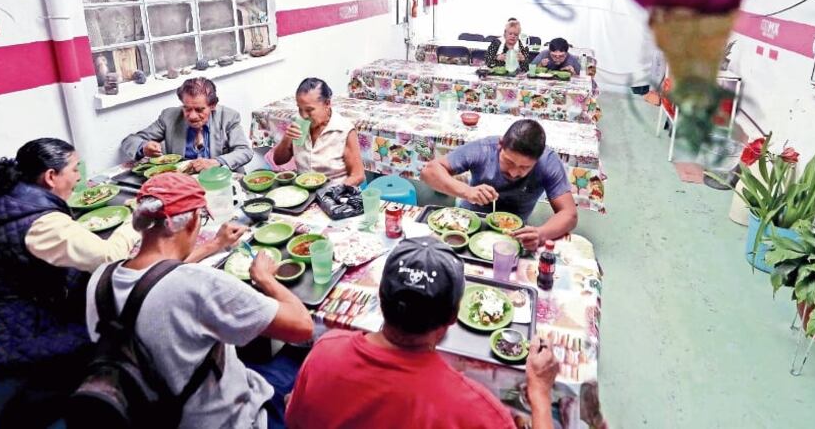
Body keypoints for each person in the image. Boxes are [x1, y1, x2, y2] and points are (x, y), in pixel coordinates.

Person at [0, 138, 140, 426]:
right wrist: (135, 220)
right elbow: (110, 255)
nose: (79, 178)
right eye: (75, 170)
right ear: (50, 177)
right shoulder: (41, 223)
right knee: (104, 321)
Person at [86, 173, 314, 429]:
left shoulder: (100, 279)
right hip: (225, 419)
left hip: (144, 411)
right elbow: (302, 326)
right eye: (202, 216)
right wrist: (265, 279)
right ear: (193, 221)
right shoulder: (201, 284)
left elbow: (154, 279)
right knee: (305, 355)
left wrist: (214, 245)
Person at [286, 237, 560, 429]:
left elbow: (293, 419)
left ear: (380, 299)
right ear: (453, 316)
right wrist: (539, 393)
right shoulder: (477, 409)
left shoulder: (325, 349)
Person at [421, 120, 578, 251]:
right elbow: (428, 172)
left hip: (515, 234)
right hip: (467, 224)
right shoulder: (483, 149)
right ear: (500, 144)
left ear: (538, 159)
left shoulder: (548, 162)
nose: (514, 172)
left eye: (525, 167)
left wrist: (541, 233)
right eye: (509, 161)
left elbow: (569, 214)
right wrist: (467, 191)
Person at [120, 77, 254, 172]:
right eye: (187, 108)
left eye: (200, 109)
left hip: (221, 182)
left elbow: (244, 151)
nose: (192, 116)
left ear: (212, 106)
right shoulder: (169, 117)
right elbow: (130, 141)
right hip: (183, 185)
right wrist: (143, 148)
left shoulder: (228, 117)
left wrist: (216, 162)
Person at [271, 78, 365, 187]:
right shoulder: (300, 124)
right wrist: (287, 138)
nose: (304, 115)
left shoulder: (343, 130)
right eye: (300, 109)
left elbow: (358, 175)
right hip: (305, 192)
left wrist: (332, 193)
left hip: (336, 195)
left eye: (310, 110)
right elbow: (278, 160)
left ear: (327, 104)